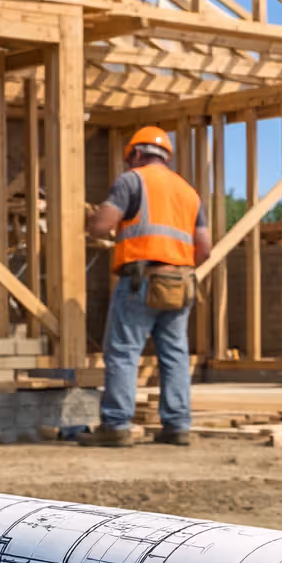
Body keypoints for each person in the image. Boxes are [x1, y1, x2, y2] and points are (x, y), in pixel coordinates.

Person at [84, 126, 211, 446]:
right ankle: (177, 425)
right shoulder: (189, 192)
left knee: (124, 352)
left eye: (130, 158)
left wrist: (91, 219)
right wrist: (176, 263)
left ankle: (116, 425)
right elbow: (205, 249)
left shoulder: (132, 181)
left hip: (140, 281)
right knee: (175, 355)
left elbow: (101, 226)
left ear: (137, 153)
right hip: (179, 283)